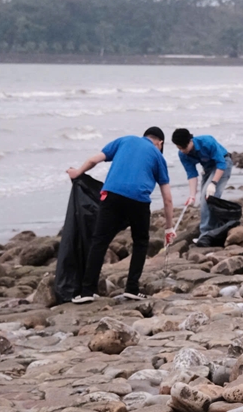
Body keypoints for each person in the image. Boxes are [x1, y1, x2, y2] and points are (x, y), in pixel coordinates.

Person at [66, 127, 176, 303]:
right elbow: (167, 199)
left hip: (111, 195)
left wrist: (77, 173)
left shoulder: (124, 140)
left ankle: (87, 291)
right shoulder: (158, 156)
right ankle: (132, 288)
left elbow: (94, 159)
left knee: (99, 241)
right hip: (138, 201)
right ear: (160, 143)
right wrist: (169, 228)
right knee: (140, 242)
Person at [171, 128, 233, 241]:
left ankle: (206, 235)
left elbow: (221, 163)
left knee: (209, 197)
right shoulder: (182, 154)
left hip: (223, 164)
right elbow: (191, 174)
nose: (183, 151)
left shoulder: (207, 142)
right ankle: (216, 228)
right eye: (179, 148)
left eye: (184, 147)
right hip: (208, 168)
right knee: (203, 198)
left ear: (190, 140)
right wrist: (192, 195)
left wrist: (213, 183)